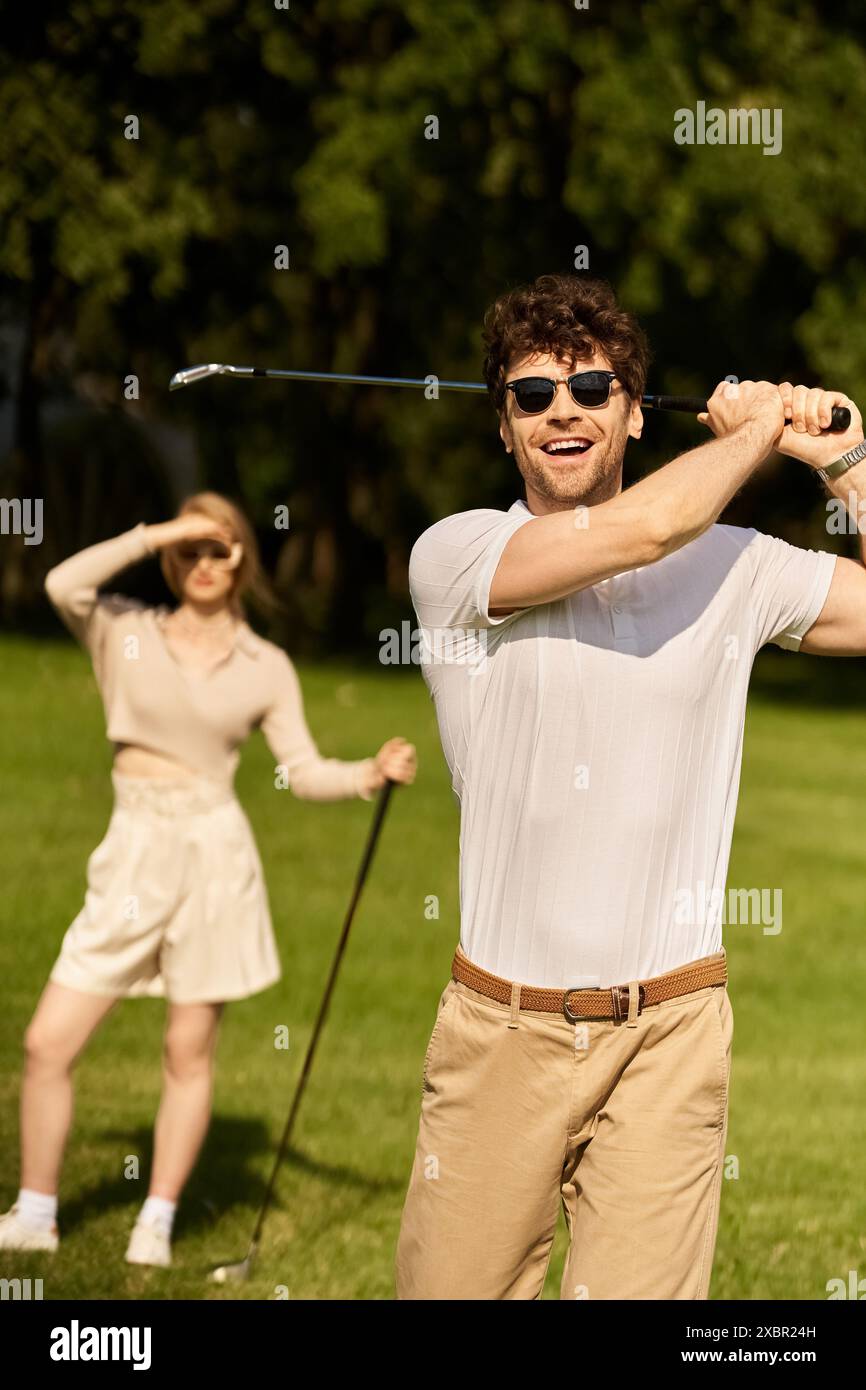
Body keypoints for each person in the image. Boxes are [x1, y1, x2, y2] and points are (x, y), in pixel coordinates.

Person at [396, 272, 866, 1300]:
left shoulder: (736, 567)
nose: (560, 412)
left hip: (670, 1030)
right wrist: (750, 437)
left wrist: (844, 466)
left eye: (590, 389)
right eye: (530, 396)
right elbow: (637, 534)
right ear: (502, 428)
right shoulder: (457, 557)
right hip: (499, 1032)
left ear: (631, 412)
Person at [0, 491, 416, 1266]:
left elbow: (304, 769)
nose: (201, 561)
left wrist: (369, 772)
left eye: (218, 547)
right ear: (168, 557)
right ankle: (36, 1211)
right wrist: (165, 527)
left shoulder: (265, 665)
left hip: (214, 857)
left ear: (243, 560)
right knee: (47, 1041)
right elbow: (62, 583)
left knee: (187, 1049)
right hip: (133, 847)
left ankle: (155, 1222)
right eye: (187, 550)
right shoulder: (121, 629)